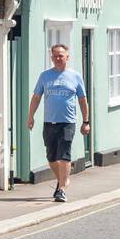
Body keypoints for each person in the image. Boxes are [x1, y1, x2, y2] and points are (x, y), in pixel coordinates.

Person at [27, 44, 90, 203]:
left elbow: (82, 100)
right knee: (51, 156)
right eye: (55, 56)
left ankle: (61, 189)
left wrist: (86, 121)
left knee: (64, 155)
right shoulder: (45, 76)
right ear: (51, 58)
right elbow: (36, 97)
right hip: (49, 122)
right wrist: (31, 116)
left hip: (67, 122)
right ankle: (63, 179)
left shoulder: (75, 76)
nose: (58, 58)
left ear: (67, 57)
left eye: (61, 56)